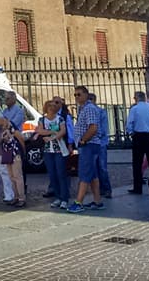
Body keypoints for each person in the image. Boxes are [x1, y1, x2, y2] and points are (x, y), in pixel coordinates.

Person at [67, 85, 104, 213]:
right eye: (75, 95)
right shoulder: (83, 108)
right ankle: (97, 201)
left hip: (89, 144)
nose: (77, 97)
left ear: (86, 95)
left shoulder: (89, 109)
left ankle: (79, 202)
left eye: (79, 94)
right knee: (92, 174)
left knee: (84, 173)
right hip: (87, 144)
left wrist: (83, 140)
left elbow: (93, 127)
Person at [35, 100, 70, 210]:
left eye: (53, 106)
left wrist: (52, 137)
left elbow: (63, 131)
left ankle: (64, 198)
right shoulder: (42, 119)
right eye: (49, 106)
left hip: (58, 149)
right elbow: (40, 131)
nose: (51, 108)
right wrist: (52, 132)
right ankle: (58, 197)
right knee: (52, 174)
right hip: (48, 150)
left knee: (61, 173)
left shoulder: (60, 119)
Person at [126, 90, 149, 196]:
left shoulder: (134, 109)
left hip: (139, 136)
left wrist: (131, 133)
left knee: (137, 163)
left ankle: (138, 188)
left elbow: (129, 123)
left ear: (136, 98)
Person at [0, 116, 26, 207]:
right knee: (12, 176)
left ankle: (21, 197)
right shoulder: (3, 128)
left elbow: (20, 138)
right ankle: (16, 196)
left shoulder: (11, 127)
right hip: (8, 154)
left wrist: (23, 151)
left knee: (17, 176)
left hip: (15, 153)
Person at [88, 92, 113, 199]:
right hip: (92, 142)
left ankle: (106, 188)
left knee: (102, 167)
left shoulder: (101, 112)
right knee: (96, 167)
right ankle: (99, 189)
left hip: (100, 142)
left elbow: (103, 130)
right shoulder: (86, 112)